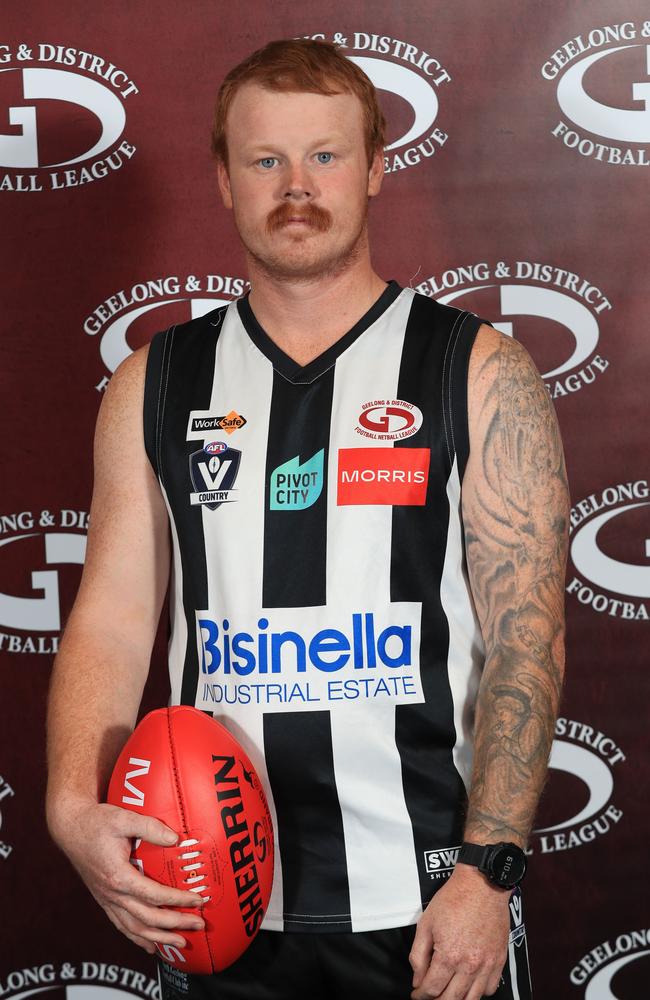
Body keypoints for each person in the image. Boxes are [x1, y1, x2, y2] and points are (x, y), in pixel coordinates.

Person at [46, 38, 569, 1000]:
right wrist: (71, 805)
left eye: (325, 155)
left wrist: (489, 871)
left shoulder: (479, 372)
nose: (297, 185)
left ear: (374, 168)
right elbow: (115, 619)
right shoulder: (153, 385)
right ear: (223, 178)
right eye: (265, 160)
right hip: (210, 891)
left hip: (424, 901)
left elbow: (525, 640)